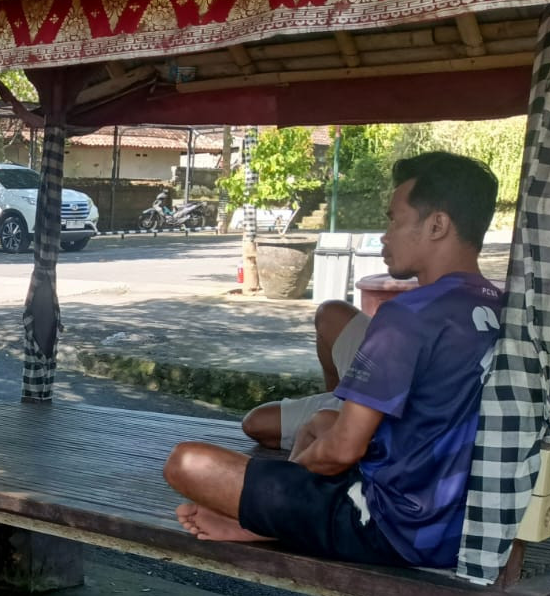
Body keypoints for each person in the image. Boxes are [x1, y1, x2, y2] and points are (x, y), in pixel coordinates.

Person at [164, 152, 503, 569]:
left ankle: (268, 524)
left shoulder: (408, 316)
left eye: (394, 220)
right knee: (321, 424)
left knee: (187, 462)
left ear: (437, 225)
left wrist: (280, 493)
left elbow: (342, 452)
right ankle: (274, 518)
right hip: (471, 529)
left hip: (392, 530)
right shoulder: (514, 316)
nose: (384, 235)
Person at [241, 300, 372, 450]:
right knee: (330, 312)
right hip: (390, 360)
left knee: (258, 422)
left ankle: (337, 428)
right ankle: (333, 407)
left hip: (390, 405)